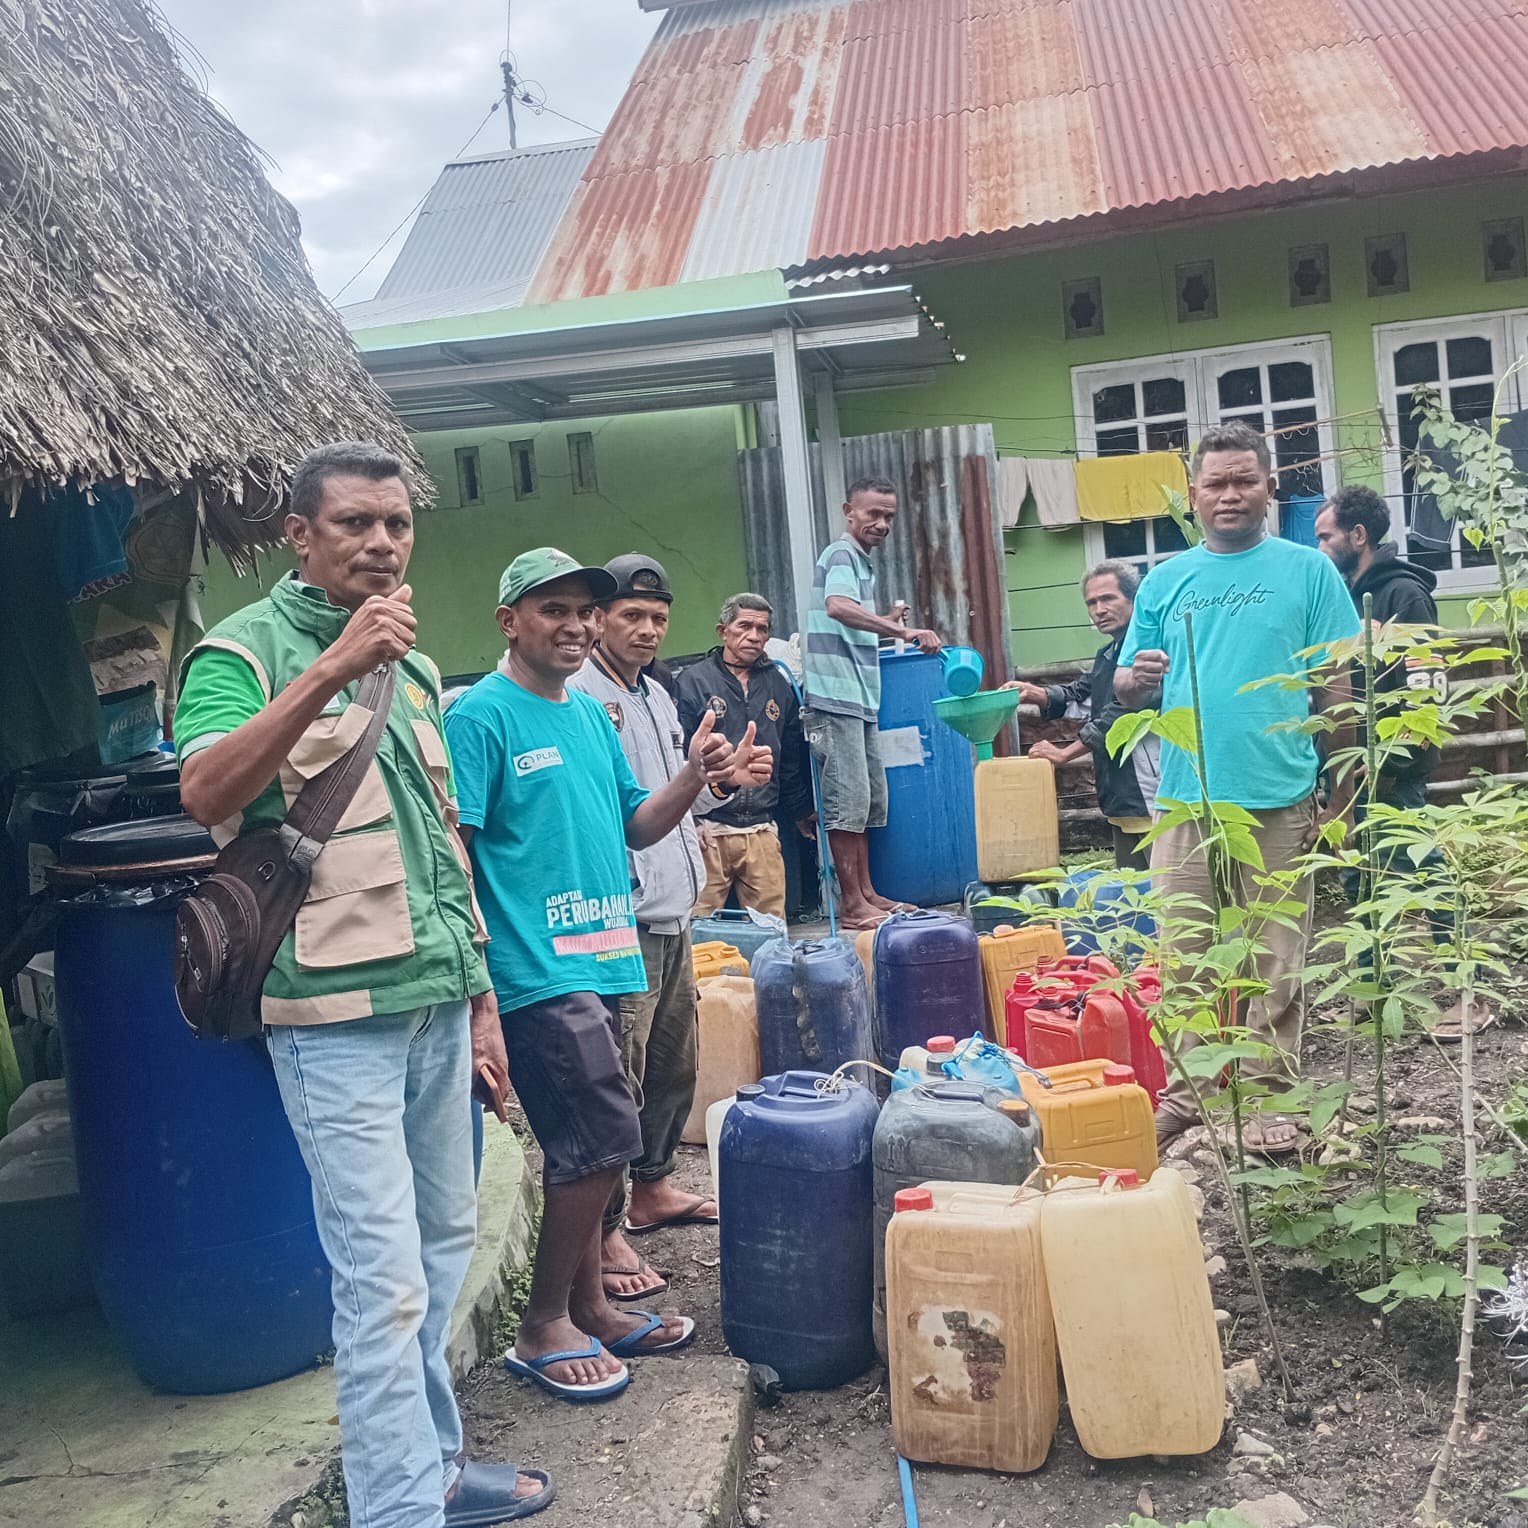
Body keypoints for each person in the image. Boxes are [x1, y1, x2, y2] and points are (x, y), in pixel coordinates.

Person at [173, 444, 552, 1527]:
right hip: (332, 1016)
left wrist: (481, 998)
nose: (380, 543)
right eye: (353, 523)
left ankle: (428, 1467)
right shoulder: (237, 652)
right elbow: (205, 787)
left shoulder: (422, 668)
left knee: (437, 1256)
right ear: (300, 535)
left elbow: (443, 839)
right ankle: (399, 1512)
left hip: (437, 1000)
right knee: (381, 1282)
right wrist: (329, 669)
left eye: (395, 524)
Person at [445, 548, 738, 1400]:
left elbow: (638, 826)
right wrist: (479, 993)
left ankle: (591, 1310)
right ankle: (543, 1326)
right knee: (604, 1135)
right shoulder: (482, 717)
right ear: (509, 622)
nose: (574, 627)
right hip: (534, 968)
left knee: (591, 1139)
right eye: (552, 611)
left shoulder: (584, 716)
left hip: (606, 957)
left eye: (583, 612)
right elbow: (457, 851)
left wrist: (690, 776)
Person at [1115, 421, 1361, 1155]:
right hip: (1186, 799)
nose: (1229, 494)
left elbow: (1336, 688)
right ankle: (1189, 1097)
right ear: (1194, 495)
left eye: (1243, 481)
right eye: (1215, 483)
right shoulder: (1164, 581)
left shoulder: (1308, 572)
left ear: (1269, 489)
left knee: (1275, 955)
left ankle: (1270, 1094)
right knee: (1185, 952)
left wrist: (1339, 796)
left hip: (1281, 795)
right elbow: (1128, 687)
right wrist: (1138, 678)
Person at [568, 555, 768, 1303]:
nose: (648, 630)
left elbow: (674, 802)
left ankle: (652, 1187)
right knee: (617, 1076)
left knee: (673, 1063)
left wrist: (722, 782)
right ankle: (607, 1221)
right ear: (599, 621)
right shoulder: (580, 697)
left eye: (657, 618)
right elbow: (614, 815)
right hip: (619, 916)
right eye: (631, 616)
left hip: (672, 909)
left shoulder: (656, 696)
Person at [1315, 486, 1473, 1036]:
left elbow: (1427, 686)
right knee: (1360, 879)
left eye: (1326, 535)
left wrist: (1392, 758)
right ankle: (1370, 989)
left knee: (1420, 870)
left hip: (1393, 768)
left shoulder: (1404, 594)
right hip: (1349, 768)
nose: (1320, 546)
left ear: (1359, 536)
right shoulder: (1342, 600)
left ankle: (1467, 993)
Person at [802, 475, 943, 930]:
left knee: (864, 801)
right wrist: (900, 631)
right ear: (849, 511)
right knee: (847, 800)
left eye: (888, 516)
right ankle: (851, 904)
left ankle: (865, 893)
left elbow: (849, 622)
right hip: (835, 695)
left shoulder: (863, 564)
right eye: (873, 514)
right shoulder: (840, 553)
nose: (881, 523)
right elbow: (838, 607)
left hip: (859, 698)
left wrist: (883, 621)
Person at [1006, 560, 1161, 871]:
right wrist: (1038, 693)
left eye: (1108, 599)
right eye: (1092, 602)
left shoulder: (1149, 651)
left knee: (1166, 893)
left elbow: (1122, 713)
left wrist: (1066, 753)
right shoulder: (1108, 655)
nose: (1099, 609)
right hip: (1121, 793)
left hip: (1151, 791)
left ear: (1134, 599)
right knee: (1133, 894)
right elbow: (1083, 693)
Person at [674, 592, 816, 919]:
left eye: (762, 629)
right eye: (744, 626)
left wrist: (799, 810)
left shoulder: (778, 684)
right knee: (698, 931)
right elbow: (677, 757)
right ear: (723, 631)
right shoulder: (694, 682)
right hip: (708, 830)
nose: (754, 636)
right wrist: (689, 821)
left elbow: (790, 759)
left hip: (761, 829)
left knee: (771, 933)